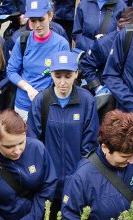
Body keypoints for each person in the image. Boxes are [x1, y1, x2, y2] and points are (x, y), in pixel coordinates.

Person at [27, 51, 99, 191]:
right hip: (48, 179)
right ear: (51, 74)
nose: (63, 82)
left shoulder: (86, 100)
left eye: (68, 76)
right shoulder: (41, 100)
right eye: (57, 76)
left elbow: (90, 143)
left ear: (76, 74)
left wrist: (81, 174)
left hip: (77, 179)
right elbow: (33, 141)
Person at [6, 0, 71, 121]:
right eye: (33, 20)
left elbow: (65, 75)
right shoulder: (22, 40)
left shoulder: (61, 44)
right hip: (23, 105)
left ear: (50, 16)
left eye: (41, 19)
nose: (37, 25)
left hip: (49, 105)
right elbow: (11, 71)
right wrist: (28, 88)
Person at [78, 7, 133, 95]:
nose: (121, 35)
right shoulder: (103, 44)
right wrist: (97, 87)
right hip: (109, 92)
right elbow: (86, 65)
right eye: (119, 30)